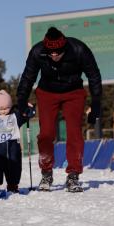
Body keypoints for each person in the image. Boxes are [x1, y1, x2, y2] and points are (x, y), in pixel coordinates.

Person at [16, 27, 102, 192]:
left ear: (64, 47)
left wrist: (96, 103)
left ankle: (73, 174)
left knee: (74, 132)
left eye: (57, 52)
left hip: (73, 93)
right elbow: (28, 76)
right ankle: (46, 172)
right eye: (50, 52)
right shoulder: (38, 51)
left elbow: (94, 75)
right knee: (47, 133)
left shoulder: (79, 49)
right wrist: (21, 100)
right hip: (47, 93)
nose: (54, 55)